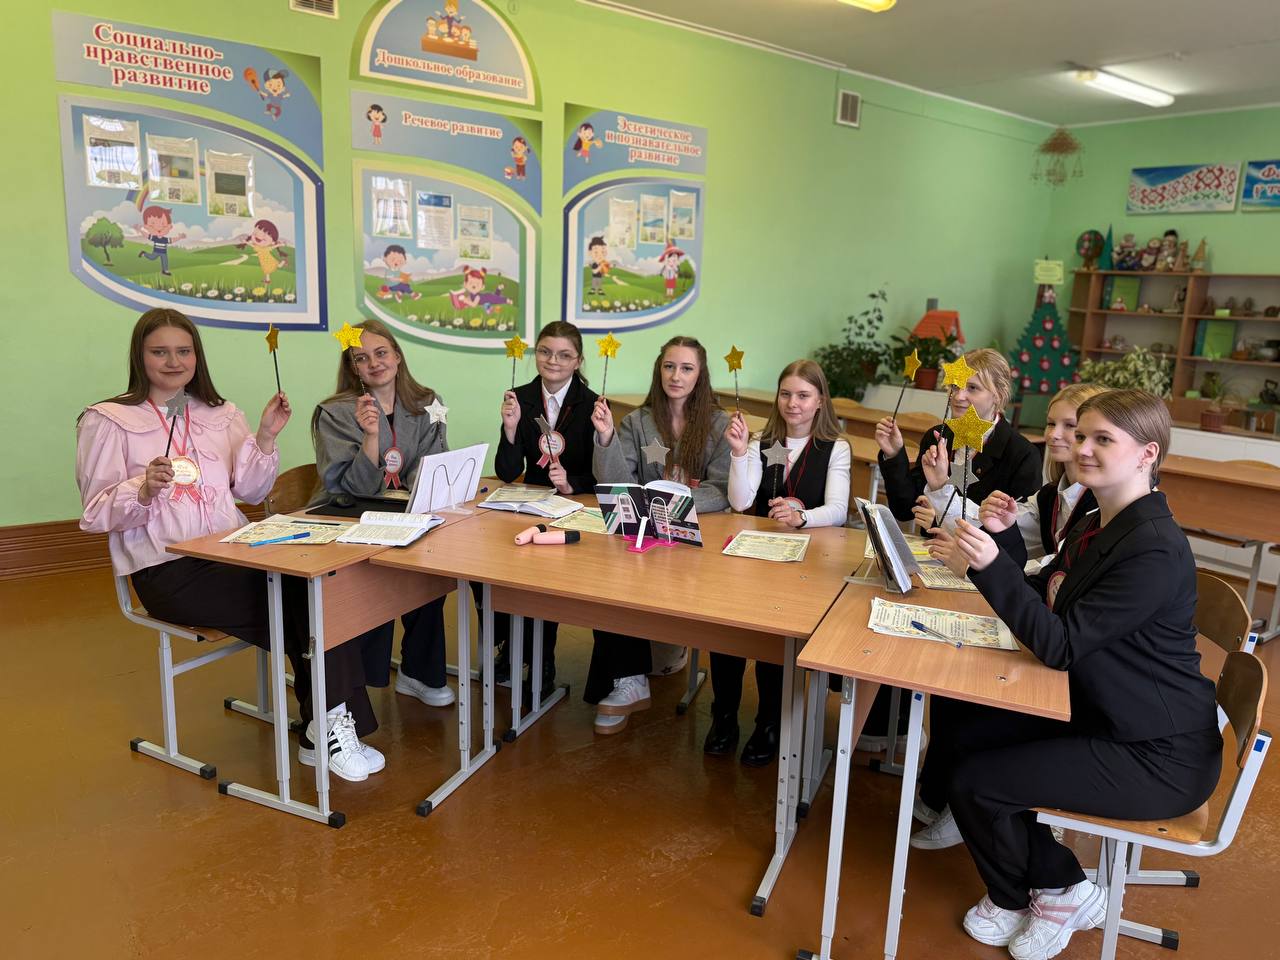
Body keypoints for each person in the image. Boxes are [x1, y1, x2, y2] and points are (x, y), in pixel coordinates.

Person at [927, 390, 1222, 960]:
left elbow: (1060, 645)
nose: (1081, 448)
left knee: (978, 783)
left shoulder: (1154, 549)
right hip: (1100, 711)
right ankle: (1052, 886)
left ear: (1147, 454)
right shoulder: (1098, 519)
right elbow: (1048, 589)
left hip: (1157, 752)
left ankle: (1052, 890)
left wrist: (989, 567)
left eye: (1102, 439)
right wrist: (997, 548)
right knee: (964, 730)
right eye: (1080, 435)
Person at [77, 308, 381, 782]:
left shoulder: (220, 414)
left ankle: (323, 727)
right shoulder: (109, 420)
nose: (174, 362)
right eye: (160, 352)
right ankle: (328, 727)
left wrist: (266, 435)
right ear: (140, 356)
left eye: (184, 351)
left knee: (319, 590)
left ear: (197, 356)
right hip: (168, 569)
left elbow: (252, 492)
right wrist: (142, 490)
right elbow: (95, 513)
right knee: (306, 607)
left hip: (235, 552)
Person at [867, 347, 1041, 752]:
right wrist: (894, 455)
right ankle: (890, 724)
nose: (959, 396)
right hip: (931, 570)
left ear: (999, 395)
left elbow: (1011, 539)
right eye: (954, 386)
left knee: (953, 670)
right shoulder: (939, 434)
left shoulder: (1021, 454)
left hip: (979, 586)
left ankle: (942, 748)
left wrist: (942, 496)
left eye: (972, 388)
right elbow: (904, 505)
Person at [586, 335, 731, 734]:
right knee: (608, 576)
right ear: (659, 370)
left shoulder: (718, 424)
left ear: (700, 375)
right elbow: (618, 482)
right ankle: (628, 680)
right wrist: (605, 438)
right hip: (648, 535)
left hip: (696, 538)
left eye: (686, 368)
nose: (676, 376)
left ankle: (640, 667)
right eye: (669, 366)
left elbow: (721, 490)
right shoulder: (638, 421)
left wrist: (670, 504)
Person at [310, 318, 456, 715]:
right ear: (352, 367)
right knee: (373, 582)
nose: (374, 363)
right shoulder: (335, 411)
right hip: (348, 515)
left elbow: (433, 463)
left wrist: (419, 488)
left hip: (404, 511)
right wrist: (371, 437)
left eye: (381, 353)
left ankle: (419, 672)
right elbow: (348, 485)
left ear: (397, 356)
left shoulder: (427, 402)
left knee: (429, 572)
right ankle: (357, 682)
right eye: (361, 358)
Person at [711, 359, 850, 764]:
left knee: (774, 642)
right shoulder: (761, 441)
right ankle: (724, 717)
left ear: (820, 401)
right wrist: (739, 454)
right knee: (727, 633)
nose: (793, 403)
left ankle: (768, 722)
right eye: (786, 394)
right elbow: (740, 501)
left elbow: (838, 509)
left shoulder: (835, 447)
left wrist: (802, 517)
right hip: (755, 557)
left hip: (805, 563)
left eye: (804, 395)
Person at [490, 321, 598, 689]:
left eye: (564, 355)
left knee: (547, 579)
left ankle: (542, 657)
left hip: (574, 505)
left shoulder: (591, 404)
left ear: (578, 361)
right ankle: (509, 647)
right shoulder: (518, 398)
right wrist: (509, 429)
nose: (553, 361)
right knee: (503, 566)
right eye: (545, 352)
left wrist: (570, 483)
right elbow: (507, 473)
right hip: (529, 504)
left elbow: (601, 476)